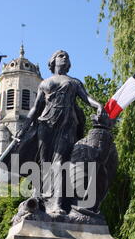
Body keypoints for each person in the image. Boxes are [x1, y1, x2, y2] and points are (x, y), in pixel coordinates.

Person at [18, 50, 103, 215]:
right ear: (53, 61)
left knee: (60, 164)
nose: (64, 58)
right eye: (61, 55)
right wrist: (24, 127)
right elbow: (36, 108)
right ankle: (41, 198)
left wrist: (98, 105)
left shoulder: (73, 82)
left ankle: (57, 203)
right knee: (44, 164)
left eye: (67, 57)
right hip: (46, 125)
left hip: (66, 125)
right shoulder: (45, 83)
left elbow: (86, 98)